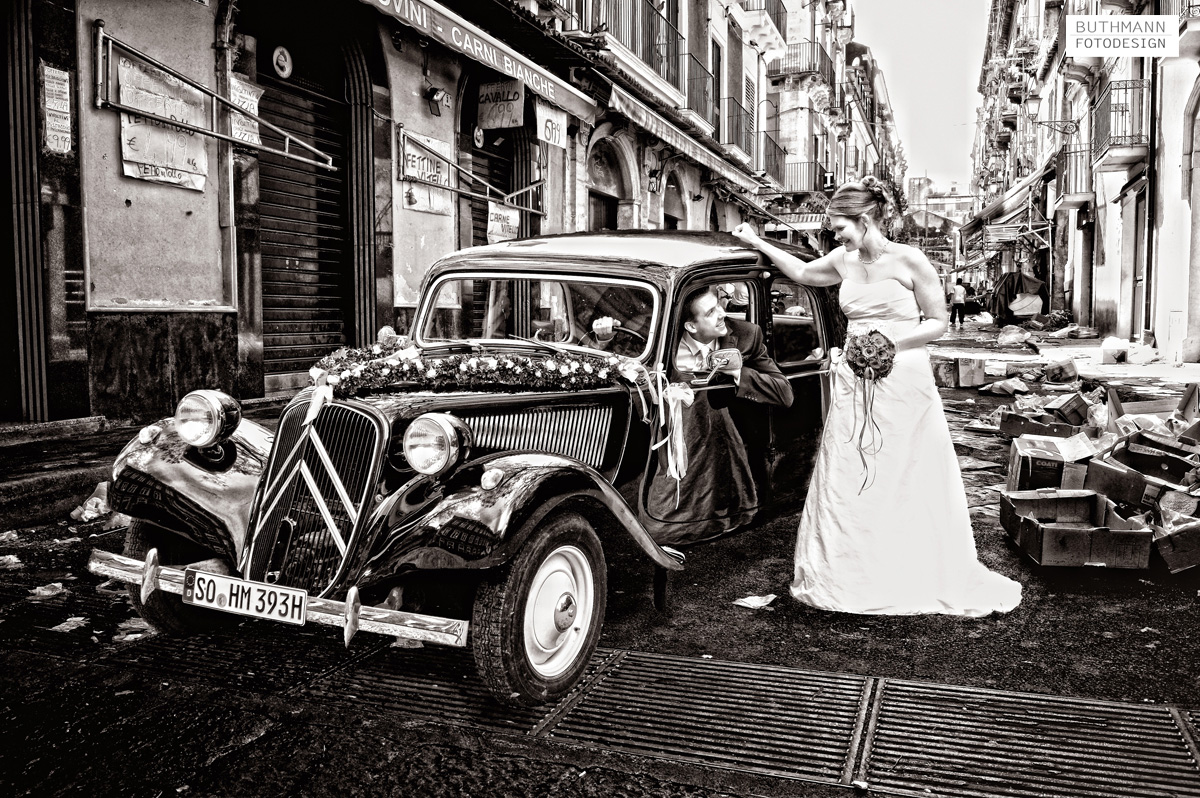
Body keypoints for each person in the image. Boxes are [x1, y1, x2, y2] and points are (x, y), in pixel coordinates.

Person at [731, 177, 1021, 617]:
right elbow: (806, 274)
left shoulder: (911, 260)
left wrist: (892, 344)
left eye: (840, 227)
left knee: (903, 470)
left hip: (903, 379)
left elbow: (938, 322)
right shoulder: (843, 260)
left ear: (865, 220)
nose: (835, 236)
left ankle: (908, 566)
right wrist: (758, 241)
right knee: (849, 468)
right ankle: (848, 571)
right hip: (853, 379)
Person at [642, 286, 793, 546]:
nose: (722, 314)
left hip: (724, 435)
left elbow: (785, 393)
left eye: (719, 306)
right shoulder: (661, 334)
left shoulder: (746, 335)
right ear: (690, 326)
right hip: (674, 439)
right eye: (711, 312)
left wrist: (737, 373)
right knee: (659, 520)